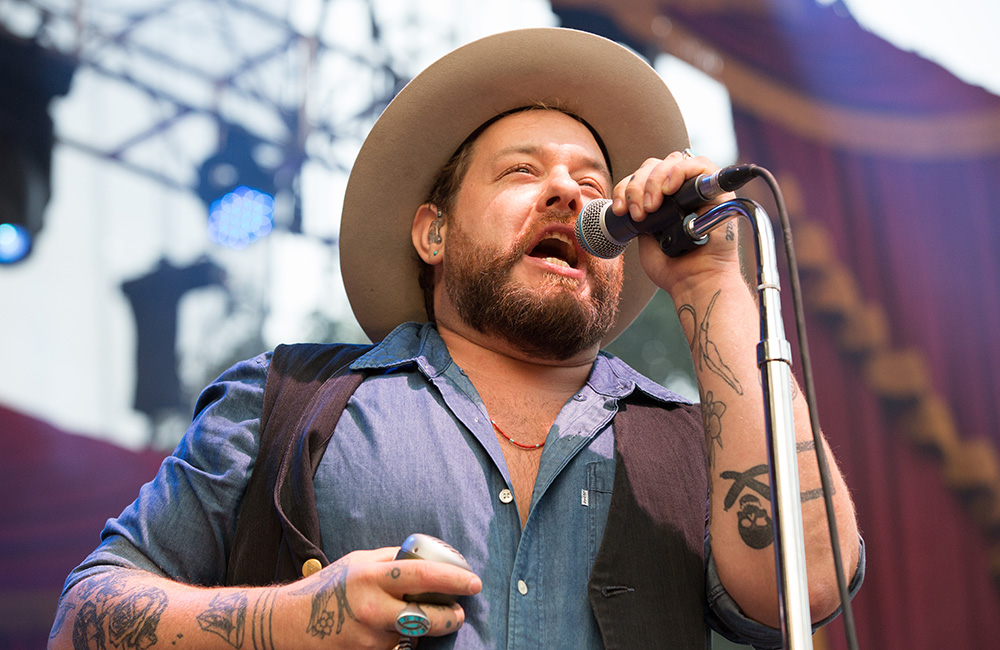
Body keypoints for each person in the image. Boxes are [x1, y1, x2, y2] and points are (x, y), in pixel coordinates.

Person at [49, 28, 863, 650]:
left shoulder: (693, 444)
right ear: (432, 233)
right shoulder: (285, 401)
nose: (565, 193)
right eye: (521, 172)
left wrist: (713, 284)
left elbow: (811, 587)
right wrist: (295, 619)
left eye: (589, 182)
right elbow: (85, 614)